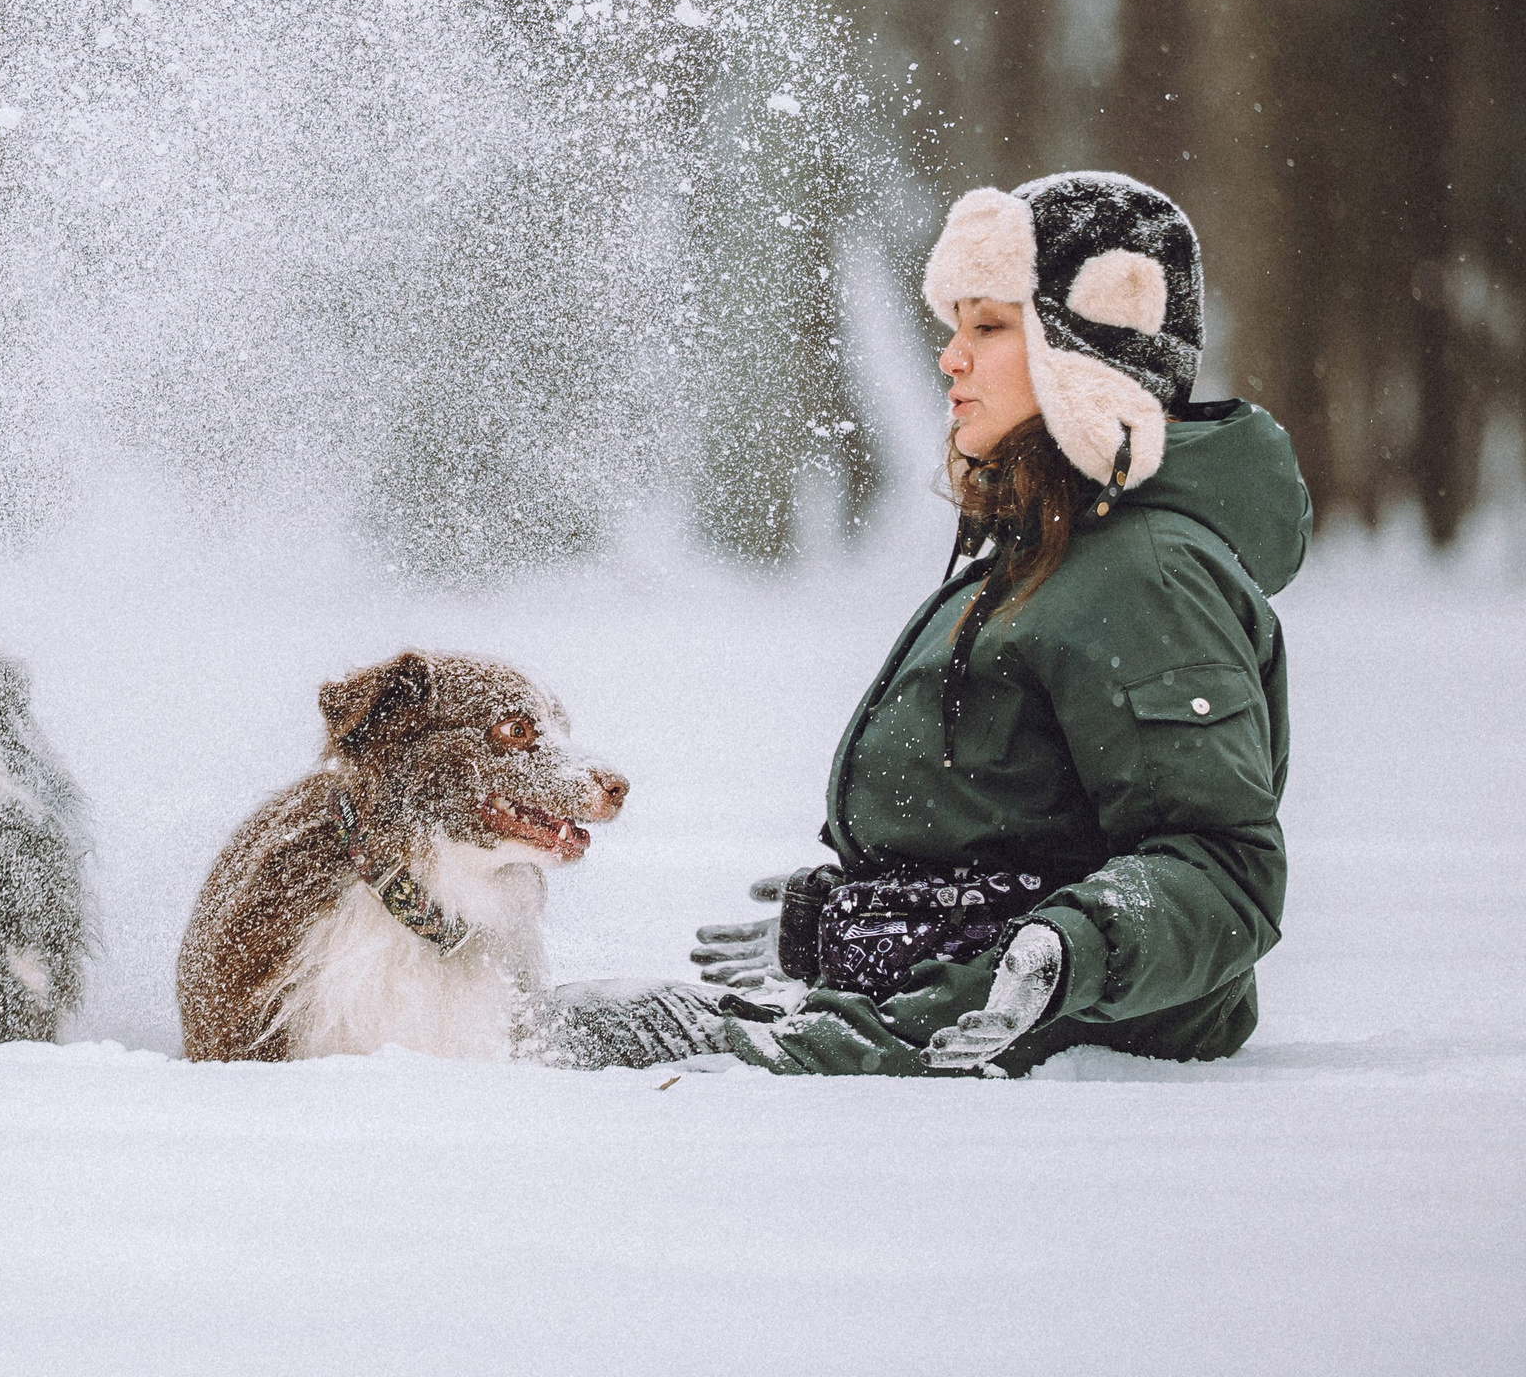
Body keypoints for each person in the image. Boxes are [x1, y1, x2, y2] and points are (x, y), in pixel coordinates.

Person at [533, 172, 1309, 1078]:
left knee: (582, 1070)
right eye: (954, 325)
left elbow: (1221, 868)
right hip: (917, 1013)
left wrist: (1068, 953)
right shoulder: (1048, 556)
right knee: (556, 1030)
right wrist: (866, 920)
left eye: (988, 326)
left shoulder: (1147, 576)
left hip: (1021, 1054)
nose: (950, 357)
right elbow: (1016, 827)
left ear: (1086, 356)